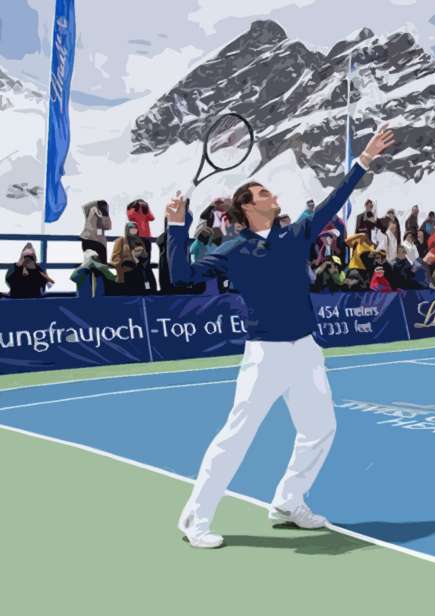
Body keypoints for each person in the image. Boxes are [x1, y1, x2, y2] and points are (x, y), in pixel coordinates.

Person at [166, 126, 395, 548]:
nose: (274, 196)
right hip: (265, 356)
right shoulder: (233, 250)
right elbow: (181, 276)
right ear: (248, 208)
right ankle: (194, 520)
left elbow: (333, 202)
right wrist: (176, 226)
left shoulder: (296, 235)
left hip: (306, 351)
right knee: (236, 438)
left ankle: (289, 502)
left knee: (320, 428)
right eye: (264, 193)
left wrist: (363, 159)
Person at [80, 200, 112, 264]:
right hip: (91, 241)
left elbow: (108, 226)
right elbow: (90, 228)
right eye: (102, 206)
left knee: (101, 266)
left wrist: (105, 215)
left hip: (100, 243)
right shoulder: (91, 212)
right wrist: (93, 212)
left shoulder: (103, 214)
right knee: (92, 265)